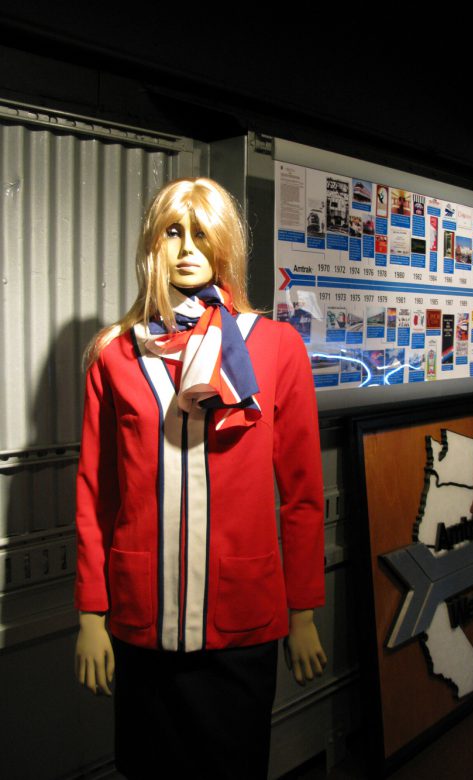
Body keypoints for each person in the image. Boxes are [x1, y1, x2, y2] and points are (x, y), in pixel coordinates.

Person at [73, 177, 327, 778]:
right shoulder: (116, 354)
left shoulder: (274, 347)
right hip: (141, 618)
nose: (188, 248)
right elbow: (95, 493)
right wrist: (90, 612)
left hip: (242, 619)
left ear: (226, 246)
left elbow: (302, 495)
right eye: (173, 232)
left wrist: (304, 612)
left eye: (203, 234)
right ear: (152, 245)